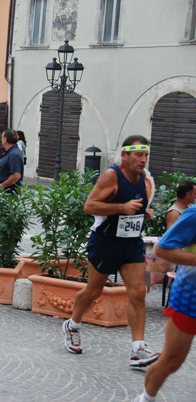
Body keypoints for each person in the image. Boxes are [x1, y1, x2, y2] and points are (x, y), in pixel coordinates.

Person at [62, 135, 160, 367]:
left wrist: (141, 213)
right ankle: (72, 325)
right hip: (106, 242)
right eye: (138, 154)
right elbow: (90, 206)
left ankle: (138, 349)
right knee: (94, 291)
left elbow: (133, 204)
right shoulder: (111, 175)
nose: (143, 160)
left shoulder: (142, 177)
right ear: (125, 155)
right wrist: (122, 208)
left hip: (131, 243)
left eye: (146, 155)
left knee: (137, 293)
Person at [135, 206, 196, 402]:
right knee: (172, 361)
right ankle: (145, 399)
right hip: (190, 299)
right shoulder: (194, 214)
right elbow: (163, 248)